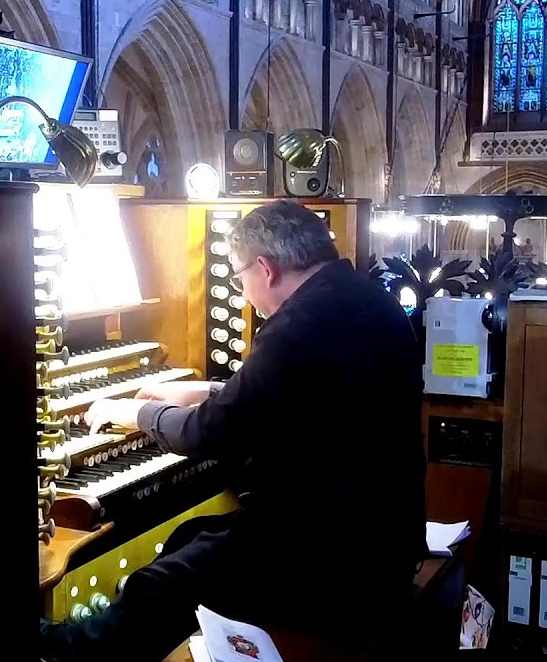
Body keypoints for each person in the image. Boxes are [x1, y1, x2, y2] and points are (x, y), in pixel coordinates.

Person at [39, 200, 427, 662]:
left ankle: (62, 652)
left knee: (164, 583)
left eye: (239, 276)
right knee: (191, 537)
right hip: (383, 537)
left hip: (333, 560)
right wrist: (208, 388)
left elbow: (211, 434)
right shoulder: (364, 299)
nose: (242, 293)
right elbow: (304, 391)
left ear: (265, 268)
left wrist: (134, 415)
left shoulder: (299, 322)